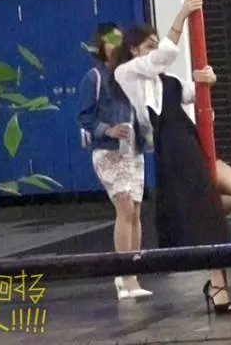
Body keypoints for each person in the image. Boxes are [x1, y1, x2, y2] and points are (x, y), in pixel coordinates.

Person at [112, 0, 231, 316]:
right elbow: (163, 56)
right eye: (148, 45)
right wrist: (182, 15)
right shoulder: (128, 74)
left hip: (193, 143)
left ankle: (198, 220)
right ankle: (217, 286)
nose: (154, 50)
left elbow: (195, 93)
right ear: (134, 50)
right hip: (173, 152)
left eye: (154, 44)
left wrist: (209, 80)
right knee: (209, 217)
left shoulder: (171, 81)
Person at [77, 22, 152, 301]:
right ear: (100, 45)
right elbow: (84, 118)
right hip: (108, 151)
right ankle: (126, 276)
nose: (116, 45)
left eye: (120, 40)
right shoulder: (94, 78)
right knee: (124, 205)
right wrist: (107, 130)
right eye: (110, 40)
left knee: (136, 210)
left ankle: (131, 274)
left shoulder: (130, 75)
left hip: (132, 149)